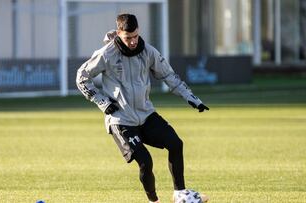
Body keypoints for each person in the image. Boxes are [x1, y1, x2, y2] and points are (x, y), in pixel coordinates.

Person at [76, 13, 209, 203]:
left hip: (146, 115)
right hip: (121, 120)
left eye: (135, 36)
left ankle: (180, 194)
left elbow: (169, 76)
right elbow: (82, 77)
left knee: (176, 144)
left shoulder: (148, 51)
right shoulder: (106, 54)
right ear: (119, 33)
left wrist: (192, 98)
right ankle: (153, 201)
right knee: (146, 162)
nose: (132, 42)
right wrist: (102, 102)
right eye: (127, 38)